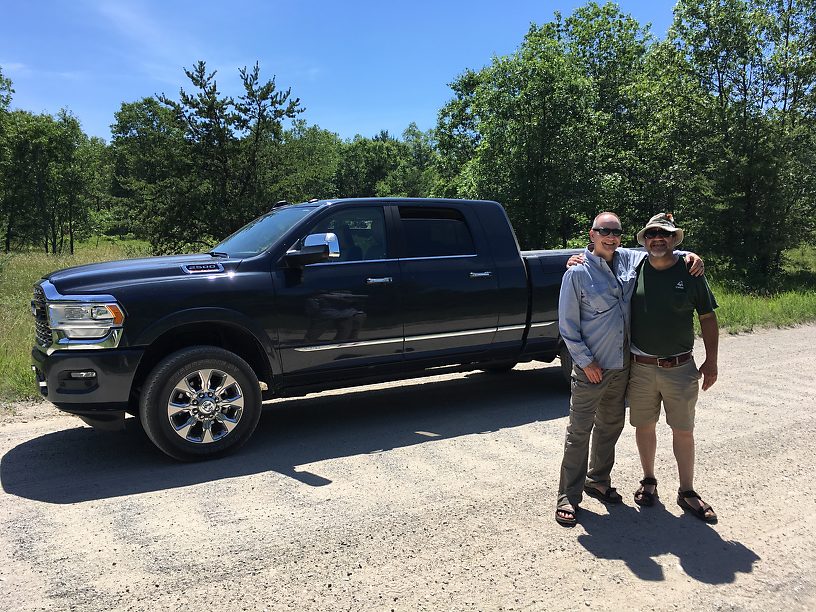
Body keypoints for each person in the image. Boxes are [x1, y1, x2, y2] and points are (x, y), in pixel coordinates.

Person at [555, 212, 703, 526]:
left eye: (616, 232)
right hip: (591, 369)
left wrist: (689, 255)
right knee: (579, 433)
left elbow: (660, 249)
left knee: (610, 427)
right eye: (604, 231)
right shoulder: (577, 273)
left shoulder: (627, 260)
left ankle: (598, 479)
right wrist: (585, 361)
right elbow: (567, 327)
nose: (611, 237)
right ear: (592, 234)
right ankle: (568, 496)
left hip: (622, 366)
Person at [628, 213, 719, 523]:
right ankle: (649, 480)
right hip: (641, 366)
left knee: (683, 430)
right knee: (644, 426)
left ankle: (687, 490)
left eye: (664, 234)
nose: (658, 238)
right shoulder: (634, 267)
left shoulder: (690, 271)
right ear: (645, 239)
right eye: (652, 234)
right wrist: (577, 258)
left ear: (673, 239)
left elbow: (707, 317)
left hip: (680, 366)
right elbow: (601, 252)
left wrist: (712, 361)